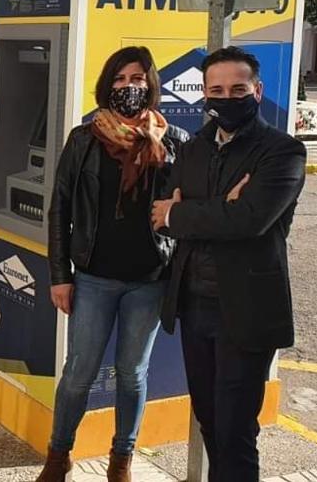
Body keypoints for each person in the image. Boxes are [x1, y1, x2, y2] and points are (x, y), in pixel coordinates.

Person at [150, 46, 306, 482]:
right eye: (215, 90)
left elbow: (251, 220)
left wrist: (188, 214)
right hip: (195, 305)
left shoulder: (282, 152)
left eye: (238, 89)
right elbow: (162, 214)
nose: (226, 97)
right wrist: (217, 209)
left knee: (236, 432)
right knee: (210, 422)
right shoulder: (195, 148)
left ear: (257, 91)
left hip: (246, 311)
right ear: (203, 94)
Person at [36, 48, 188, 482]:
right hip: (93, 277)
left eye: (137, 78)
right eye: (119, 80)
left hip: (150, 280)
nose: (128, 88)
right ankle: (58, 454)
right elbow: (59, 208)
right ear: (108, 86)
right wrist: (60, 277)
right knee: (78, 374)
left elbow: (193, 202)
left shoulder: (173, 140)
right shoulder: (84, 139)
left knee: (131, 374)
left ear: (151, 84)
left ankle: (121, 459)